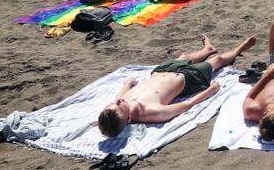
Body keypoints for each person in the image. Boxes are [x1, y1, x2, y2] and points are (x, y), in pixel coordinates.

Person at [98, 35, 256, 137]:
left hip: (162, 71)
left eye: (112, 105)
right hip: (187, 78)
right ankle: (239, 49)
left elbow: (118, 97)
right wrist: (210, 90)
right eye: (119, 106)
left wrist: (128, 84)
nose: (117, 102)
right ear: (129, 118)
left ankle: (207, 49)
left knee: (185, 56)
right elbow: (187, 104)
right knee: (218, 60)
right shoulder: (150, 111)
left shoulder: (113, 108)